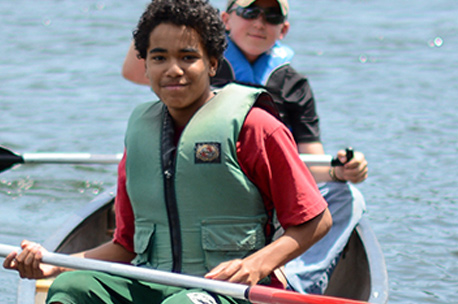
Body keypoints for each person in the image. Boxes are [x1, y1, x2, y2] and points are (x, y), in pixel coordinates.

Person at [4, 0, 332, 303]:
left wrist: (257, 265)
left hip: (232, 292)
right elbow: (126, 246)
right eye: (159, 58)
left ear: (213, 63)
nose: (173, 69)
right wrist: (53, 264)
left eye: (188, 57)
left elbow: (316, 220)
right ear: (144, 66)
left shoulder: (256, 126)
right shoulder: (140, 134)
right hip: (154, 283)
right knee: (71, 288)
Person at [122, 0, 368, 294]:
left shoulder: (291, 88)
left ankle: (299, 282)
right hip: (190, 190)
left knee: (347, 196)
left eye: (272, 16)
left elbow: (311, 166)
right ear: (227, 20)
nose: (260, 23)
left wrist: (339, 172)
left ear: (284, 29)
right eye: (250, 12)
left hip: (262, 191)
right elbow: (138, 65)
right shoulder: (185, 66)